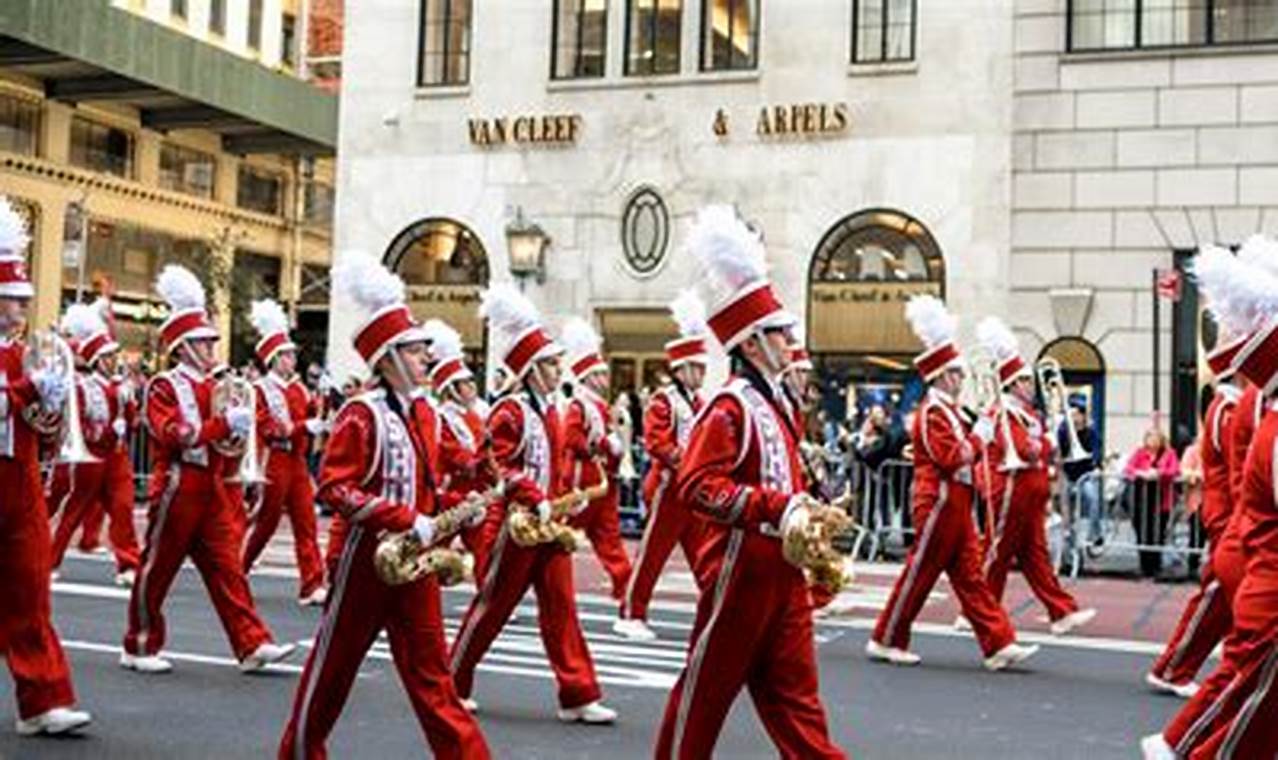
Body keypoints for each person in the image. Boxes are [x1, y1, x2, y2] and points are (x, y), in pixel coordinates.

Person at [279, 253, 490, 760]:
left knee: (433, 676)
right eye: (416, 352)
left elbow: (441, 472)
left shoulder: (427, 411)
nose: (426, 360)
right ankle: (301, 752)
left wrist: (467, 502)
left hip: (415, 560)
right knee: (334, 669)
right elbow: (334, 488)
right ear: (390, 357)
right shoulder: (360, 413)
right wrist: (402, 518)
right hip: (367, 561)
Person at [654, 205, 844, 759]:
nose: (790, 342)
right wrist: (774, 507)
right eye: (780, 334)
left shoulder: (778, 402)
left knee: (797, 701)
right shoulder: (728, 406)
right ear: (754, 342)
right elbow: (696, 486)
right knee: (704, 696)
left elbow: (779, 479)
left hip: (781, 571)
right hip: (738, 570)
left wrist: (805, 509)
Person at [450, 283, 616, 724]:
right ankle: (452, 681)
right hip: (517, 522)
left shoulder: (555, 410)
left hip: (548, 521)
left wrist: (563, 504)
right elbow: (500, 464)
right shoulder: (510, 410)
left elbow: (556, 464)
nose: (557, 369)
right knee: (493, 606)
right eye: (549, 363)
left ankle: (578, 692)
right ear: (530, 369)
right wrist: (534, 497)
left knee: (562, 607)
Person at [121, 265, 294, 675]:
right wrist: (223, 424)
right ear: (182, 346)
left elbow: (227, 444)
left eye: (211, 340)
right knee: (158, 567)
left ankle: (252, 643)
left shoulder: (222, 383)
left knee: (228, 568)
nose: (211, 347)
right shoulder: (165, 384)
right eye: (202, 341)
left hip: (214, 484)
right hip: (179, 484)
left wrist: (240, 434)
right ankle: (139, 643)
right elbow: (174, 434)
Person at [1143, 238, 1278, 757]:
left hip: (1248, 544)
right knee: (1247, 695)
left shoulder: (1255, 407)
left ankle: (1176, 739)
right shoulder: (1245, 410)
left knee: (1242, 678)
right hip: (1245, 545)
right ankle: (1176, 735)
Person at [867, 296, 1038, 670]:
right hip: (939, 499)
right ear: (943, 376)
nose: (962, 379)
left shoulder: (951, 410)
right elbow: (952, 457)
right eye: (957, 374)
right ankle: (886, 637)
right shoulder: (932, 412)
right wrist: (980, 436)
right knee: (921, 573)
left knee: (971, 576)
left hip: (957, 500)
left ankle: (998, 643)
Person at [0, 197, 92, 736]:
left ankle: (43, 700)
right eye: (11, 300)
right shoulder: (17, 365)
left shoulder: (21, 353)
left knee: (33, 591)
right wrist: (28, 389)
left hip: (22, 484)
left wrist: (53, 409)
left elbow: (39, 423)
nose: (18, 311)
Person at [973, 316, 1096, 635]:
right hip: (1011, 490)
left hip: (1030, 492)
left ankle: (1061, 611)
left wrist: (1048, 441)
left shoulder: (1026, 413)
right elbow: (1021, 448)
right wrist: (1046, 442)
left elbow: (1035, 448)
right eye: (1026, 381)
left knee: (1036, 558)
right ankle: (978, 611)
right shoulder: (1003, 411)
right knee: (997, 555)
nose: (1031, 386)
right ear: (1013, 384)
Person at [617, 289, 710, 641]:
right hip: (669, 487)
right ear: (681, 369)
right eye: (696, 367)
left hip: (692, 488)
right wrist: (690, 462)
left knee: (704, 555)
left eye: (703, 367)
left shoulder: (701, 402)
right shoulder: (664, 400)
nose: (701, 373)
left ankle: (716, 609)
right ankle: (631, 612)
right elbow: (657, 443)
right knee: (652, 554)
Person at [47, 300, 142, 587]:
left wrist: (130, 410)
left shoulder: (119, 386)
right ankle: (49, 562)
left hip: (117, 458)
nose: (115, 360)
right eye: (108, 356)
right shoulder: (82, 386)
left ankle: (128, 564)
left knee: (123, 509)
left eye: (114, 354)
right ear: (97, 360)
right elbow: (77, 423)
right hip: (91, 456)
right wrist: (102, 429)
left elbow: (134, 423)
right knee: (73, 511)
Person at [241, 299, 327, 606]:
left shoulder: (300, 388)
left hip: (297, 462)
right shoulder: (261, 389)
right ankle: (239, 571)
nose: (293, 360)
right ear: (274, 359)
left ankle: (311, 583)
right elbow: (270, 428)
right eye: (288, 355)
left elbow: (312, 415)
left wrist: (322, 401)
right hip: (274, 461)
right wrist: (306, 426)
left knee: (307, 523)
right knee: (265, 524)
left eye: (292, 355)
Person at [559, 317, 633, 606]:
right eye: (600, 375)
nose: (605, 379)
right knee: (557, 537)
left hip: (604, 486)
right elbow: (571, 439)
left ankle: (623, 588)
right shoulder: (579, 406)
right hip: (580, 484)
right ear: (588, 378)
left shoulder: (602, 407)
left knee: (611, 542)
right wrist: (603, 444)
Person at [420, 318, 499, 583]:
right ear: (452, 390)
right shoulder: (442, 418)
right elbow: (460, 460)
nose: (472, 386)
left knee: (484, 551)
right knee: (430, 551)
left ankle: (486, 602)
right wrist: (486, 449)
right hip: (450, 497)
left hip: (476, 496)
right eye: (465, 383)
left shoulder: (476, 416)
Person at [1122, 425, 1180, 579]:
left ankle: (1156, 565)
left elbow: (1175, 470)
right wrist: (1140, 473)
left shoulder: (1169, 453)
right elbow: (1128, 469)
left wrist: (1159, 474)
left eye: (1156, 437)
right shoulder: (1139, 453)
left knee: (1158, 532)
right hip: (1141, 500)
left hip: (1161, 501)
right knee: (1142, 532)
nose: (1152, 440)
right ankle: (1144, 565)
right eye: (1150, 437)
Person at [1059, 401, 1103, 550]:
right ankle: (1070, 546)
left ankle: (1094, 535)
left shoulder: (1091, 433)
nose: (1074, 418)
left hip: (1085, 474)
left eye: (1077, 414)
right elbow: (1058, 451)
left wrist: (1096, 465)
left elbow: (1097, 451)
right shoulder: (1063, 431)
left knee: (1093, 499)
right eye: (1071, 415)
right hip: (1068, 474)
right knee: (1067, 512)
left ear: (1083, 416)